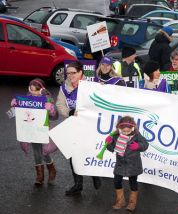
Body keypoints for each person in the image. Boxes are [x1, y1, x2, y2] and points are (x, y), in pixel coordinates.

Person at [57, 61, 102, 195]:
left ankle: (94, 175)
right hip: (71, 124)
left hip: (88, 125)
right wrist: (69, 112)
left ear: (81, 72)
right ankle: (78, 184)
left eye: (73, 73)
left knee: (88, 151)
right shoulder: (64, 87)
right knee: (72, 155)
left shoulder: (90, 86)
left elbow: (99, 102)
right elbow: (59, 105)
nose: (70, 75)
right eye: (68, 73)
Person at [10, 79, 58, 186]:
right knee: (37, 152)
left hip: (43, 129)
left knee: (44, 152)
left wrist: (51, 109)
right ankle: (39, 176)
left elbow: (54, 117)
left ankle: (52, 169)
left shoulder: (47, 99)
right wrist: (14, 107)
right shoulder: (25, 99)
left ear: (42, 90)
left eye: (36, 91)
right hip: (31, 130)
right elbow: (13, 114)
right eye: (31, 90)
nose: (33, 93)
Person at [104, 116, 149, 211]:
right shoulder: (116, 136)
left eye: (127, 131)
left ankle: (132, 203)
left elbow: (145, 144)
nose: (125, 133)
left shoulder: (136, 135)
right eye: (123, 131)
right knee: (117, 181)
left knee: (133, 183)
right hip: (120, 164)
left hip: (133, 164)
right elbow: (112, 148)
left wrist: (138, 146)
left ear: (132, 128)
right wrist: (108, 143)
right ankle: (120, 201)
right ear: (119, 128)